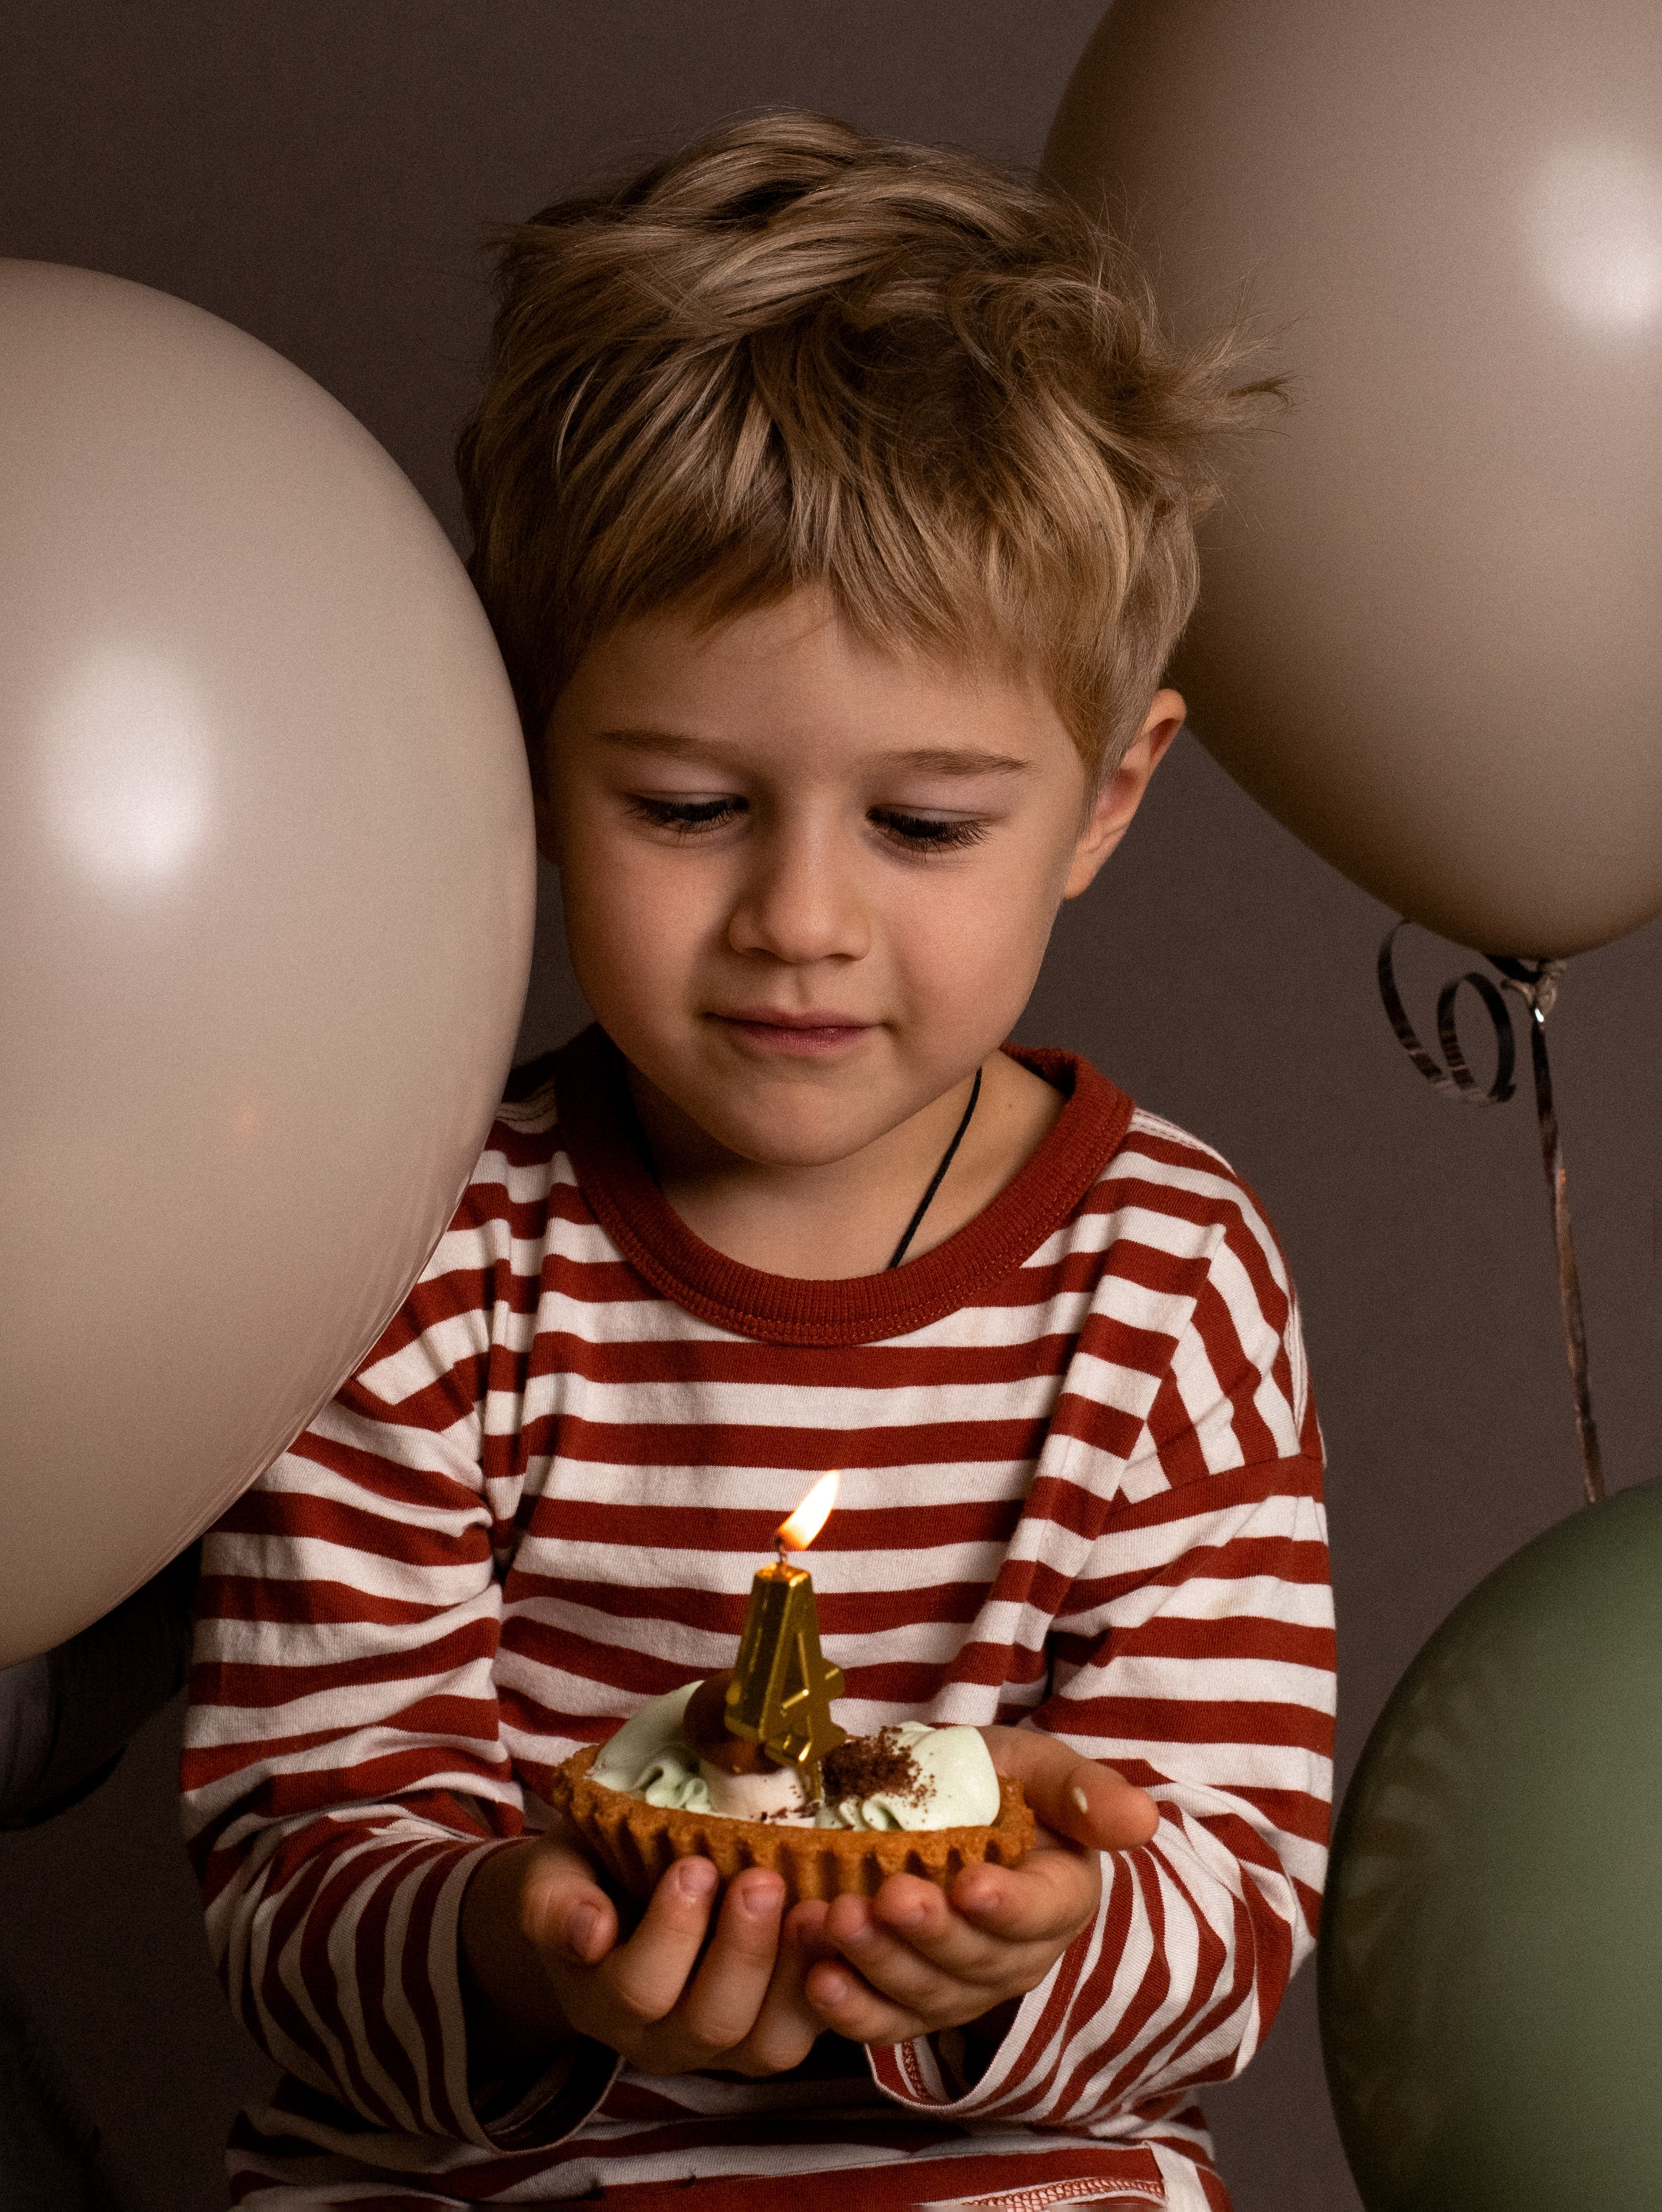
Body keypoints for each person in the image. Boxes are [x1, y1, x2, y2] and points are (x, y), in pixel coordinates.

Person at [181, 114, 1333, 2211]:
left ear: (1105, 796)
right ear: (527, 748)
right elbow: (299, 1875)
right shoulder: (419, 1244)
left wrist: (1030, 1947)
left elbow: (1237, 1910)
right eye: (691, 808)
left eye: (923, 827)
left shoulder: (1169, 1278)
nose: (801, 922)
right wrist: (520, 1945)